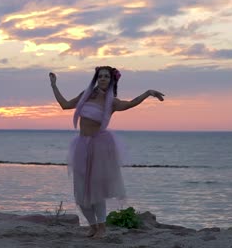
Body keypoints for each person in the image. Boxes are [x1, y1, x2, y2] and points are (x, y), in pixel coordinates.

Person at [49, 66, 165, 238]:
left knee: (96, 191)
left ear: (112, 80)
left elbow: (130, 103)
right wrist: (54, 85)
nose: (103, 79)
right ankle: (93, 226)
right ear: (96, 78)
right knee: (80, 191)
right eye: (100, 76)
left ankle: (102, 228)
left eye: (106, 77)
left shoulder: (112, 102)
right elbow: (65, 105)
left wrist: (148, 93)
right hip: (81, 146)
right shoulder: (85, 95)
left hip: (100, 147)